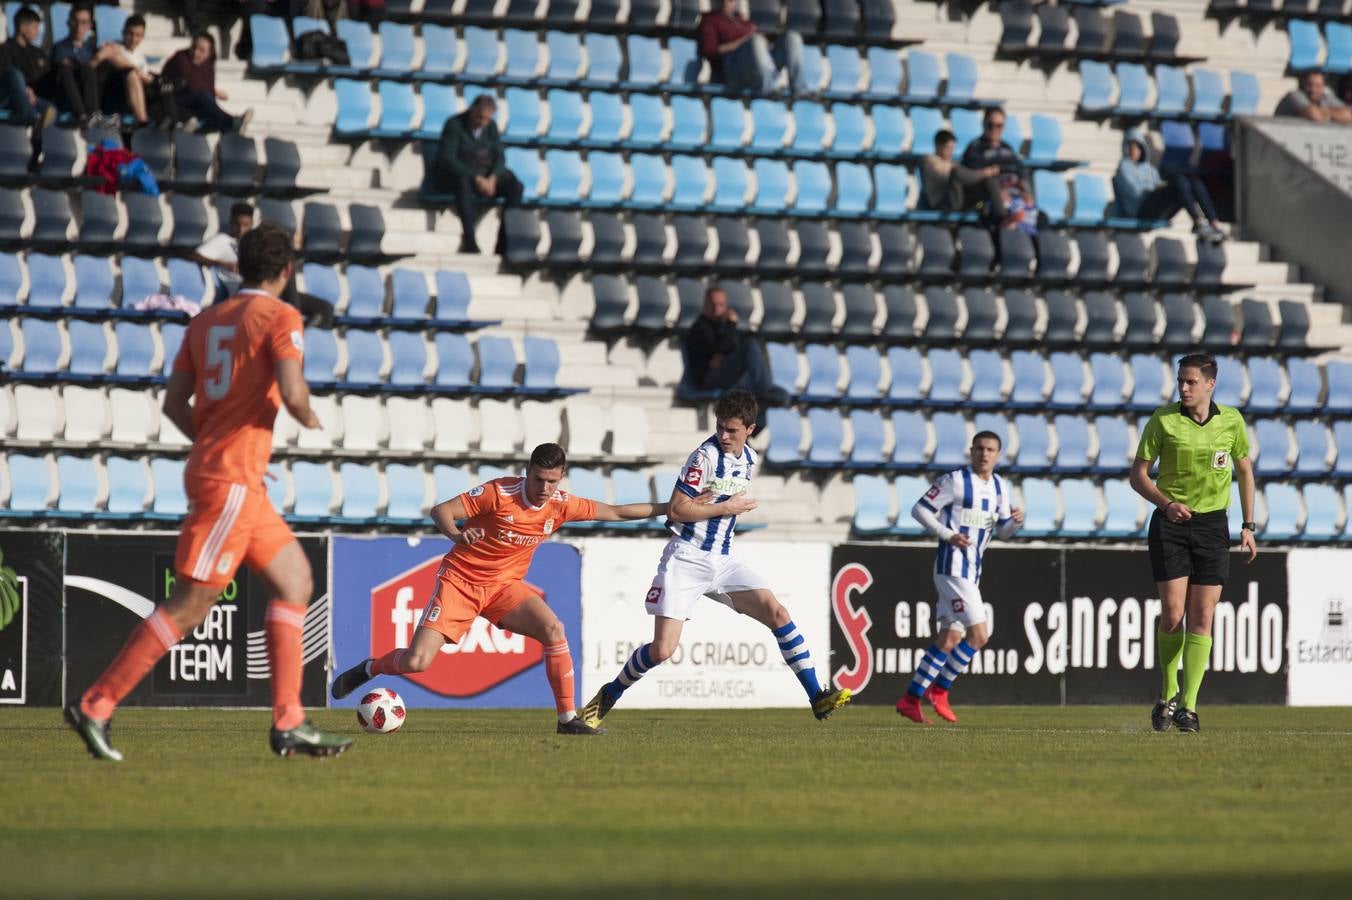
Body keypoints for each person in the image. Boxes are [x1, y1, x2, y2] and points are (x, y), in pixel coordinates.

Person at [65, 222, 352, 761]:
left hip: (230, 477)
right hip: (233, 480)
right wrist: (311, 415)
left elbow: (175, 405)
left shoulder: (204, 322)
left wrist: (215, 444)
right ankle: (96, 703)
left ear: (238, 267)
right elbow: (292, 392)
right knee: (192, 604)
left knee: (295, 579)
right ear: (287, 271)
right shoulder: (281, 316)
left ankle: (289, 720)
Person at [330, 443, 672, 735]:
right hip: (460, 583)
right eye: (538, 479)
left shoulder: (561, 504)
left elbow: (614, 511)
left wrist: (668, 509)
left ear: (561, 477)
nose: (544, 488)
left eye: (552, 481)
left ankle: (567, 719)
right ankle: (371, 668)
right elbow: (442, 510)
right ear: (528, 471)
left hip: (504, 588)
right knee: (418, 662)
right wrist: (457, 534)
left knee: (554, 629)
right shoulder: (498, 493)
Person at [580, 390, 853, 731]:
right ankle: (606, 697)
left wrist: (719, 508)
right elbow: (678, 509)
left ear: (750, 429)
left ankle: (817, 697)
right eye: (720, 427)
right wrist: (725, 507)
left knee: (778, 613)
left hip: (723, 560)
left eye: (732, 430)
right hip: (686, 558)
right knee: (662, 650)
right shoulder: (704, 458)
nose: (724, 435)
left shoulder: (749, 460)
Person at [1130, 353, 1257, 734]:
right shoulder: (1163, 420)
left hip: (1212, 527)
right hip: (1170, 524)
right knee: (1173, 615)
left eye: (1190, 382)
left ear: (1210, 384)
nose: (1183, 388)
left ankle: (1188, 706)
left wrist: (1248, 526)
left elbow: (1245, 471)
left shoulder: (1231, 420)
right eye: (1180, 381)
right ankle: (1167, 693)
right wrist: (1166, 504)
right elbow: (1138, 476)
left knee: (1203, 617)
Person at [896, 432, 1024, 725]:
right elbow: (920, 509)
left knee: (950, 638)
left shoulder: (999, 487)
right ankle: (939, 690)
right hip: (952, 567)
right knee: (979, 635)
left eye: (990, 449)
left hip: (972, 569)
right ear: (971, 451)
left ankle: (910, 699)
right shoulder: (955, 481)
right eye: (979, 448)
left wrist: (1015, 522)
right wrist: (948, 535)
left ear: (998, 455)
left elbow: (1002, 532)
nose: (984, 454)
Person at [433, 94, 523, 255]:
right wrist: (475, 177)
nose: (482, 122)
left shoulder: (491, 127)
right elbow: (447, 158)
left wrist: (493, 178)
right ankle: (470, 240)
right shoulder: (454, 125)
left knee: (515, 187)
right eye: (480, 117)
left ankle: (504, 243)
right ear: (472, 110)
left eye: (486, 119)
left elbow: (499, 156)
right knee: (462, 183)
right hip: (460, 175)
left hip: (485, 175)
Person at [1112, 127, 1225, 242]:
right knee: (1178, 180)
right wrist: (1155, 189)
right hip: (1141, 210)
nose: (1134, 151)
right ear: (1126, 147)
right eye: (1131, 147)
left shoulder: (1149, 169)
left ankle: (1213, 222)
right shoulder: (1124, 167)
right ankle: (1198, 222)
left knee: (1192, 181)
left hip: (1156, 207)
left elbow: (1157, 183)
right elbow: (1134, 193)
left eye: (1138, 147)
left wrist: (1158, 187)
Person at [683, 286, 788, 406]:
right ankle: (765, 390)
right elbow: (721, 348)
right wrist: (731, 325)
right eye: (712, 305)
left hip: (728, 375)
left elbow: (731, 346)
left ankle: (765, 394)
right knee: (750, 346)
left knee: (782, 396)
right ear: (705, 305)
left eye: (721, 305)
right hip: (709, 378)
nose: (716, 309)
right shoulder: (700, 327)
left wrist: (722, 353)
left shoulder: (723, 326)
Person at [697, 0, 806, 95]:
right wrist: (744, 42)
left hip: (762, 63)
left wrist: (764, 43)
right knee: (756, 41)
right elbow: (710, 51)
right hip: (734, 69)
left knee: (792, 37)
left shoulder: (745, 22)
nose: (726, 2)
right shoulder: (710, 20)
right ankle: (768, 89)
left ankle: (799, 90)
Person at [161, 32, 253, 134]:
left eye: (202, 50)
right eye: (194, 47)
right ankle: (233, 121)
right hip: (173, 100)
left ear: (209, 53)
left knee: (213, 115)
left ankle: (229, 128)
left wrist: (213, 94)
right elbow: (193, 86)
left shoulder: (208, 65)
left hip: (195, 105)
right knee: (203, 97)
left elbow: (209, 92)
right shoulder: (181, 58)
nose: (196, 52)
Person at [960, 108, 1032, 229]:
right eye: (990, 125)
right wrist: (998, 193)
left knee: (1041, 219)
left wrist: (1027, 192)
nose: (994, 129)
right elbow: (974, 178)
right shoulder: (975, 148)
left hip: (1014, 198)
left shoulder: (1008, 148)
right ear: (983, 124)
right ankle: (1006, 225)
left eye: (999, 126)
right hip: (986, 202)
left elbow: (1020, 174)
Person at [94, 14, 155, 127]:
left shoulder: (141, 58)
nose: (133, 39)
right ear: (123, 32)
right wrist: (139, 73)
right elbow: (120, 63)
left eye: (138, 35)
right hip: (114, 95)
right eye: (130, 33)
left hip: (134, 97)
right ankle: (142, 120)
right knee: (130, 73)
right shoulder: (113, 47)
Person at [50, 3, 105, 125]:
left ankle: (93, 115)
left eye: (84, 22)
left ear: (90, 25)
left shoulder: (91, 49)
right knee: (70, 70)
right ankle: (84, 115)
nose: (79, 27)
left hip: (90, 95)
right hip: (67, 98)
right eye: (76, 21)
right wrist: (94, 61)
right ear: (69, 22)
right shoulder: (59, 48)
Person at [0, 7, 56, 127]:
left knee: (50, 109)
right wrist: (25, 90)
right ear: (23, 27)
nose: (37, 32)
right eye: (35, 27)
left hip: (34, 99)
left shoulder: (38, 53)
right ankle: (29, 116)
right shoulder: (4, 50)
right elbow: (7, 76)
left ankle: (36, 134)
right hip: (9, 98)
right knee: (15, 74)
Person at [920, 129, 999, 213]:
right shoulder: (930, 161)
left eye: (953, 148)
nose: (951, 152)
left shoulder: (952, 163)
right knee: (958, 173)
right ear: (938, 145)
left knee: (986, 187)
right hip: (943, 204)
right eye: (948, 147)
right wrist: (985, 172)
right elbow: (952, 174)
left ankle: (998, 212)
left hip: (958, 199)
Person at [193, 201, 257, 298]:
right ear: (231, 222)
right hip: (237, 288)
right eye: (237, 225)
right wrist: (221, 263)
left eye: (246, 225)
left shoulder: (257, 242)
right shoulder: (222, 240)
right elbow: (194, 255)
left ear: (252, 224)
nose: (241, 230)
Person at [1274, 71, 1352, 124]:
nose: (1313, 89)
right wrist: (1333, 114)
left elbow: (1348, 116)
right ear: (1302, 85)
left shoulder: (1325, 97)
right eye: (1309, 85)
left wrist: (1324, 113)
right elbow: (1314, 116)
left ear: (1323, 87)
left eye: (1318, 86)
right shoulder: (1294, 96)